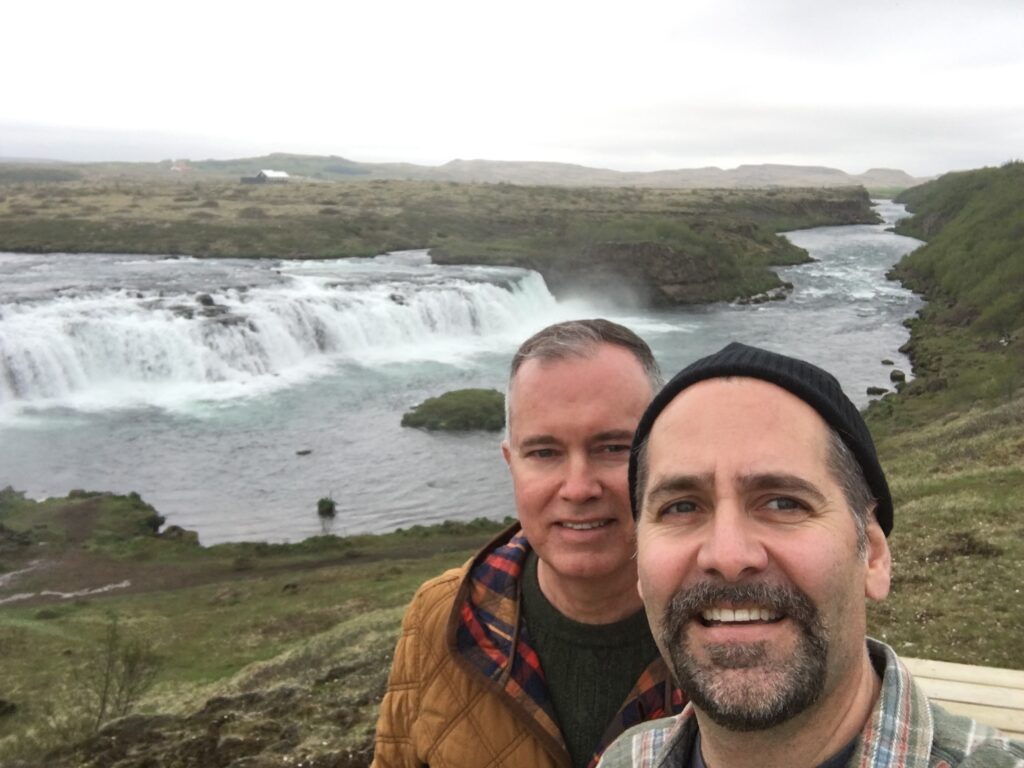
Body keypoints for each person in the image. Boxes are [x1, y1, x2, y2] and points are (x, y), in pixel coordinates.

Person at [598, 341, 1024, 768]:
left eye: (784, 503)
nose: (728, 556)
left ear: (873, 555)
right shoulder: (627, 759)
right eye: (682, 507)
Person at [372, 319, 686, 768]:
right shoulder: (441, 615)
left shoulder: (729, 620)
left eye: (613, 448)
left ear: (664, 455)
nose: (578, 488)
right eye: (544, 453)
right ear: (511, 463)